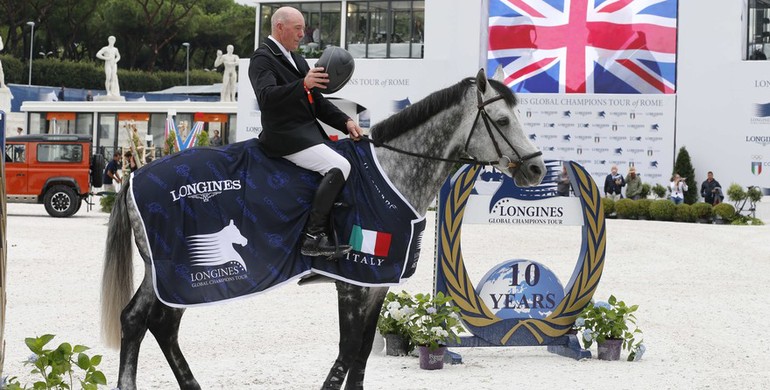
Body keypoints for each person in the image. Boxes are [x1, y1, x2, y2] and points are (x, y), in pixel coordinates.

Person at [249, 6, 363, 258]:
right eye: (298, 28)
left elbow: (317, 101)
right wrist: (302, 84)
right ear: (280, 27)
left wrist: (345, 122)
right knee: (339, 167)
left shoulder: (297, 59)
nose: (303, 34)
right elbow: (266, 98)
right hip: (285, 137)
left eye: (303, 28)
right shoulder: (262, 59)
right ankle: (313, 238)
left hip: (305, 133)